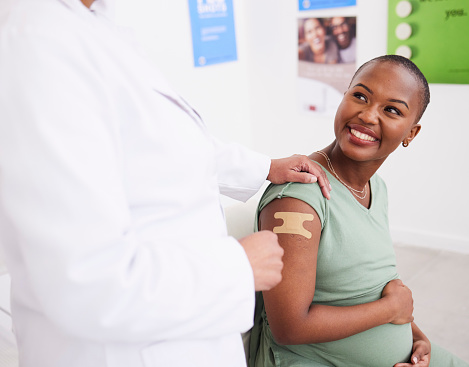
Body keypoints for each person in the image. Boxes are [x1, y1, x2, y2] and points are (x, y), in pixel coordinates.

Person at [0, 1, 332, 367]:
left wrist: (264, 166)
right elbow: (84, 280)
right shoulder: (39, 40)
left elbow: (158, 147)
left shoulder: (95, 29)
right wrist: (237, 266)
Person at [249, 55, 469, 367]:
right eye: (360, 96)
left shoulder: (375, 188)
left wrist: (414, 333)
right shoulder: (298, 198)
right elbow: (289, 327)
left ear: (411, 133)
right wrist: (392, 311)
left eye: (391, 110)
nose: (367, 115)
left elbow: (369, 286)